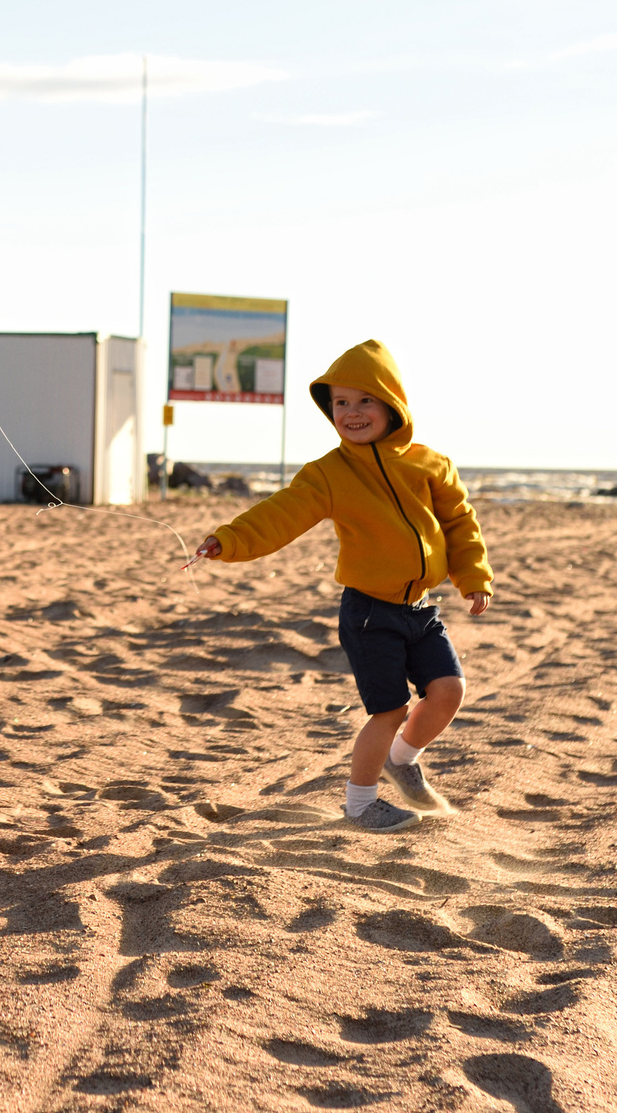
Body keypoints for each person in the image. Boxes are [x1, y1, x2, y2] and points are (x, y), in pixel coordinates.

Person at [192, 340, 493, 832]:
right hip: (369, 612)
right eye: (340, 403)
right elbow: (280, 514)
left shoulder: (430, 464)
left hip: (419, 608)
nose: (351, 413)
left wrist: (474, 577)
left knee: (448, 691)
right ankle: (359, 803)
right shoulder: (330, 473)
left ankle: (401, 760)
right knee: (390, 708)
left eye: (364, 400)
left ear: (392, 402)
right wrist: (229, 540)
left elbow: (460, 523)